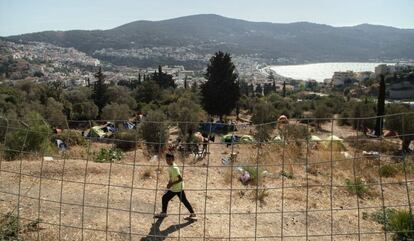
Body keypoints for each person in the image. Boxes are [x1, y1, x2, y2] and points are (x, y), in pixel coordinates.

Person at [154, 153, 196, 220]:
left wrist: (171, 184)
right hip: (176, 187)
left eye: (169, 159)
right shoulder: (171, 166)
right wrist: (169, 183)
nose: (168, 161)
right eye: (167, 159)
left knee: (165, 198)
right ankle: (193, 214)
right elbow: (172, 177)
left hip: (177, 188)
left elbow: (180, 179)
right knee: (183, 200)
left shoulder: (174, 168)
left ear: (173, 159)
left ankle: (164, 213)